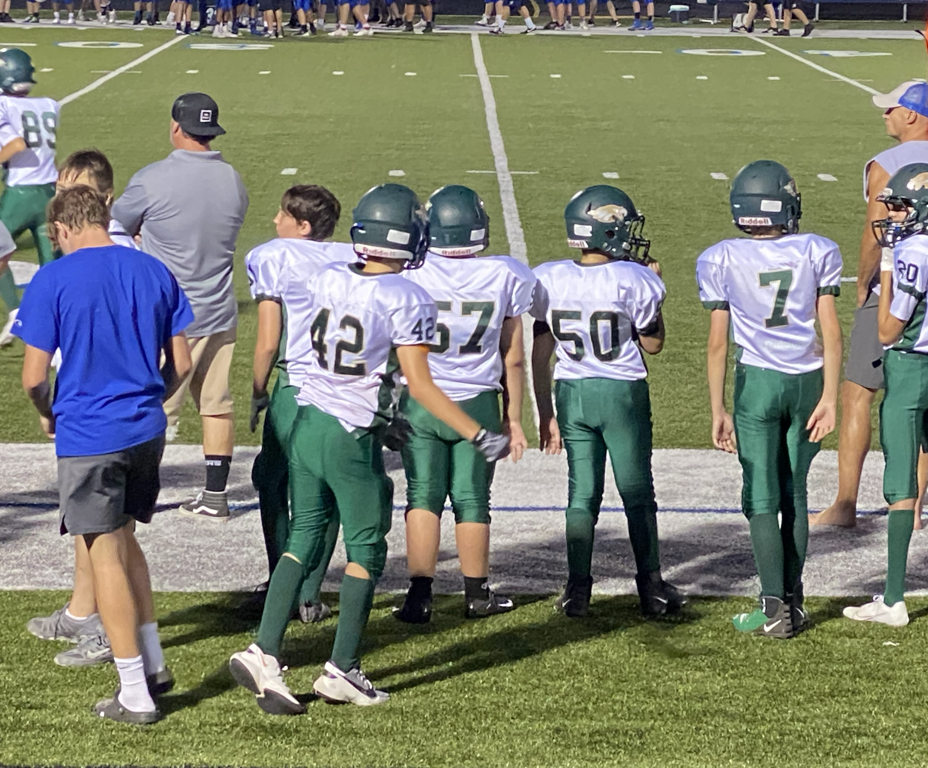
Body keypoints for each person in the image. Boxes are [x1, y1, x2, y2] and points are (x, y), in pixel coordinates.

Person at [229, 184, 510, 715]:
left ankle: (264, 649)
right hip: (349, 433)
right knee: (366, 549)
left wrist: (390, 413)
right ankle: (342, 669)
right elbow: (422, 385)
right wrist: (477, 433)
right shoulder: (407, 296)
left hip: (308, 418)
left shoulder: (328, 276)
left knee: (303, 536)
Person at [15, 186, 193, 724]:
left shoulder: (53, 278)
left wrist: (48, 412)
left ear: (62, 228)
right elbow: (182, 364)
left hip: (91, 435)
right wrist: (149, 399)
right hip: (145, 429)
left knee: (104, 555)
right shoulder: (153, 269)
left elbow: (33, 378)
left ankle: (134, 690)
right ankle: (154, 662)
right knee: (125, 540)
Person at [811, 81, 928, 530]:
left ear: (911, 115)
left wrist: (863, 285)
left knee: (859, 392)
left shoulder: (886, 163)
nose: (885, 116)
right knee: (923, 402)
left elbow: (874, 231)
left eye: (890, 109)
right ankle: (912, 507)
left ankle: (845, 503)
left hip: (897, 289)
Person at [697, 161, 842, 638]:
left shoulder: (721, 257)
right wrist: (831, 396)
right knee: (794, 492)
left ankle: (772, 607)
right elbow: (831, 331)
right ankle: (794, 604)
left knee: (762, 495)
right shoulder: (816, 250)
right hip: (807, 380)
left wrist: (718, 408)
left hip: (757, 382)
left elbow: (717, 344)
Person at [25, 150, 151, 670]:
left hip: (98, 410)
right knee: (93, 529)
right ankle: (85, 611)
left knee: (110, 537)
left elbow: (37, 372)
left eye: (72, 189)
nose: (63, 198)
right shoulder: (112, 253)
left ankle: (114, 637)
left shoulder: (103, 254)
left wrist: (51, 404)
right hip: (118, 408)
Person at [531, 185, 682, 619]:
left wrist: (545, 412)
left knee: (582, 494)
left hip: (572, 392)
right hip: (620, 392)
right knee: (636, 492)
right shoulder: (636, 279)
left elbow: (540, 353)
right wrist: (655, 285)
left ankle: (577, 590)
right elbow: (653, 344)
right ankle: (651, 587)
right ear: (608, 231)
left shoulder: (548, 277)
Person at [843, 163, 928, 627]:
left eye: (901, 206)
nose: (893, 215)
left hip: (907, 367)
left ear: (926, 208)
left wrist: (886, 266)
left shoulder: (914, 251)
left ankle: (893, 599)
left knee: (901, 484)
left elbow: (886, 330)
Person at [393, 185, 534, 623]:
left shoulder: (411, 271)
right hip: (477, 401)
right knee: (473, 499)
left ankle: (419, 596)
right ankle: (477, 594)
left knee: (422, 495)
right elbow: (513, 356)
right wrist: (513, 418)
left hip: (422, 399)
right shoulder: (506, 273)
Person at [112, 93, 248, 520]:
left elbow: (118, 223)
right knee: (216, 403)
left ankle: (140, 495)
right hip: (219, 307)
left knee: (153, 406)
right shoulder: (232, 179)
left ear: (176, 126)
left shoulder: (153, 178)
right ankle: (215, 495)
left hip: (167, 315)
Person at [246, 184, 357, 622]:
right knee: (324, 486)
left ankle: (283, 580)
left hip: (297, 386)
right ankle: (310, 592)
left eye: (284, 214)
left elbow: (267, 341)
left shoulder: (274, 256)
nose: (276, 220)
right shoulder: (349, 256)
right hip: (342, 386)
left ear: (303, 225)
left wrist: (258, 390)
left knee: (272, 479)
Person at [0, 48, 58, 347]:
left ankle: (14, 310)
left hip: (20, 195)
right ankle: (55, 332)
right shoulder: (49, 105)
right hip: (49, 192)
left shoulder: (3, 104)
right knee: (53, 267)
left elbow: (16, 145)